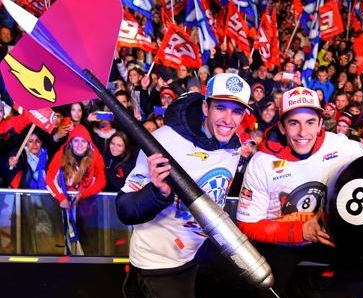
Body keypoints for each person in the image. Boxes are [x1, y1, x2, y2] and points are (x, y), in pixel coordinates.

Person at [235, 86, 363, 298]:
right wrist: (301, 231)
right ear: (281, 126)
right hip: (281, 240)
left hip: (328, 235)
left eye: (310, 122)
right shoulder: (262, 163)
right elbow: (247, 224)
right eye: (293, 123)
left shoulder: (340, 146)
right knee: (264, 285)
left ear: (320, 124)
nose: (302, 133)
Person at [115, 73, 253, 298]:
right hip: (158, 265)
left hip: (196, 255)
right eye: (221, 108)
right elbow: (124, 209)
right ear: (206, 107)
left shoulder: (233, 148)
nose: (229, 120)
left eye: (237, 111)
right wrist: (158, 193)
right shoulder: (164, 140)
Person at [45, 124, 106, 255]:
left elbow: (101, 181)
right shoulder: (61, 155)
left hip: (87, 206)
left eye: (83, 141)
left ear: (88, 143)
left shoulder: (96, 157)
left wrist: (83, 194)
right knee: (63, 238)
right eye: (76, 140)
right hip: (64, 205)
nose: (80, 145)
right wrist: (61, 198)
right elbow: (49, 178)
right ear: (70, 142)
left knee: (86, 240)